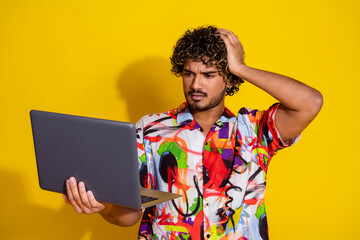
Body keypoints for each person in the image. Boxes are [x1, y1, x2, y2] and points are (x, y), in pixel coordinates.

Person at [63, 26, 323, 240]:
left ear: (229, 79)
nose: (195, 84)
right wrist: (102, 206)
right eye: (189, 73)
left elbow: (310, 102)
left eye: (209, 75)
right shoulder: (150, 129)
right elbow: (131, 214)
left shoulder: (254, 129)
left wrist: (241, 67)